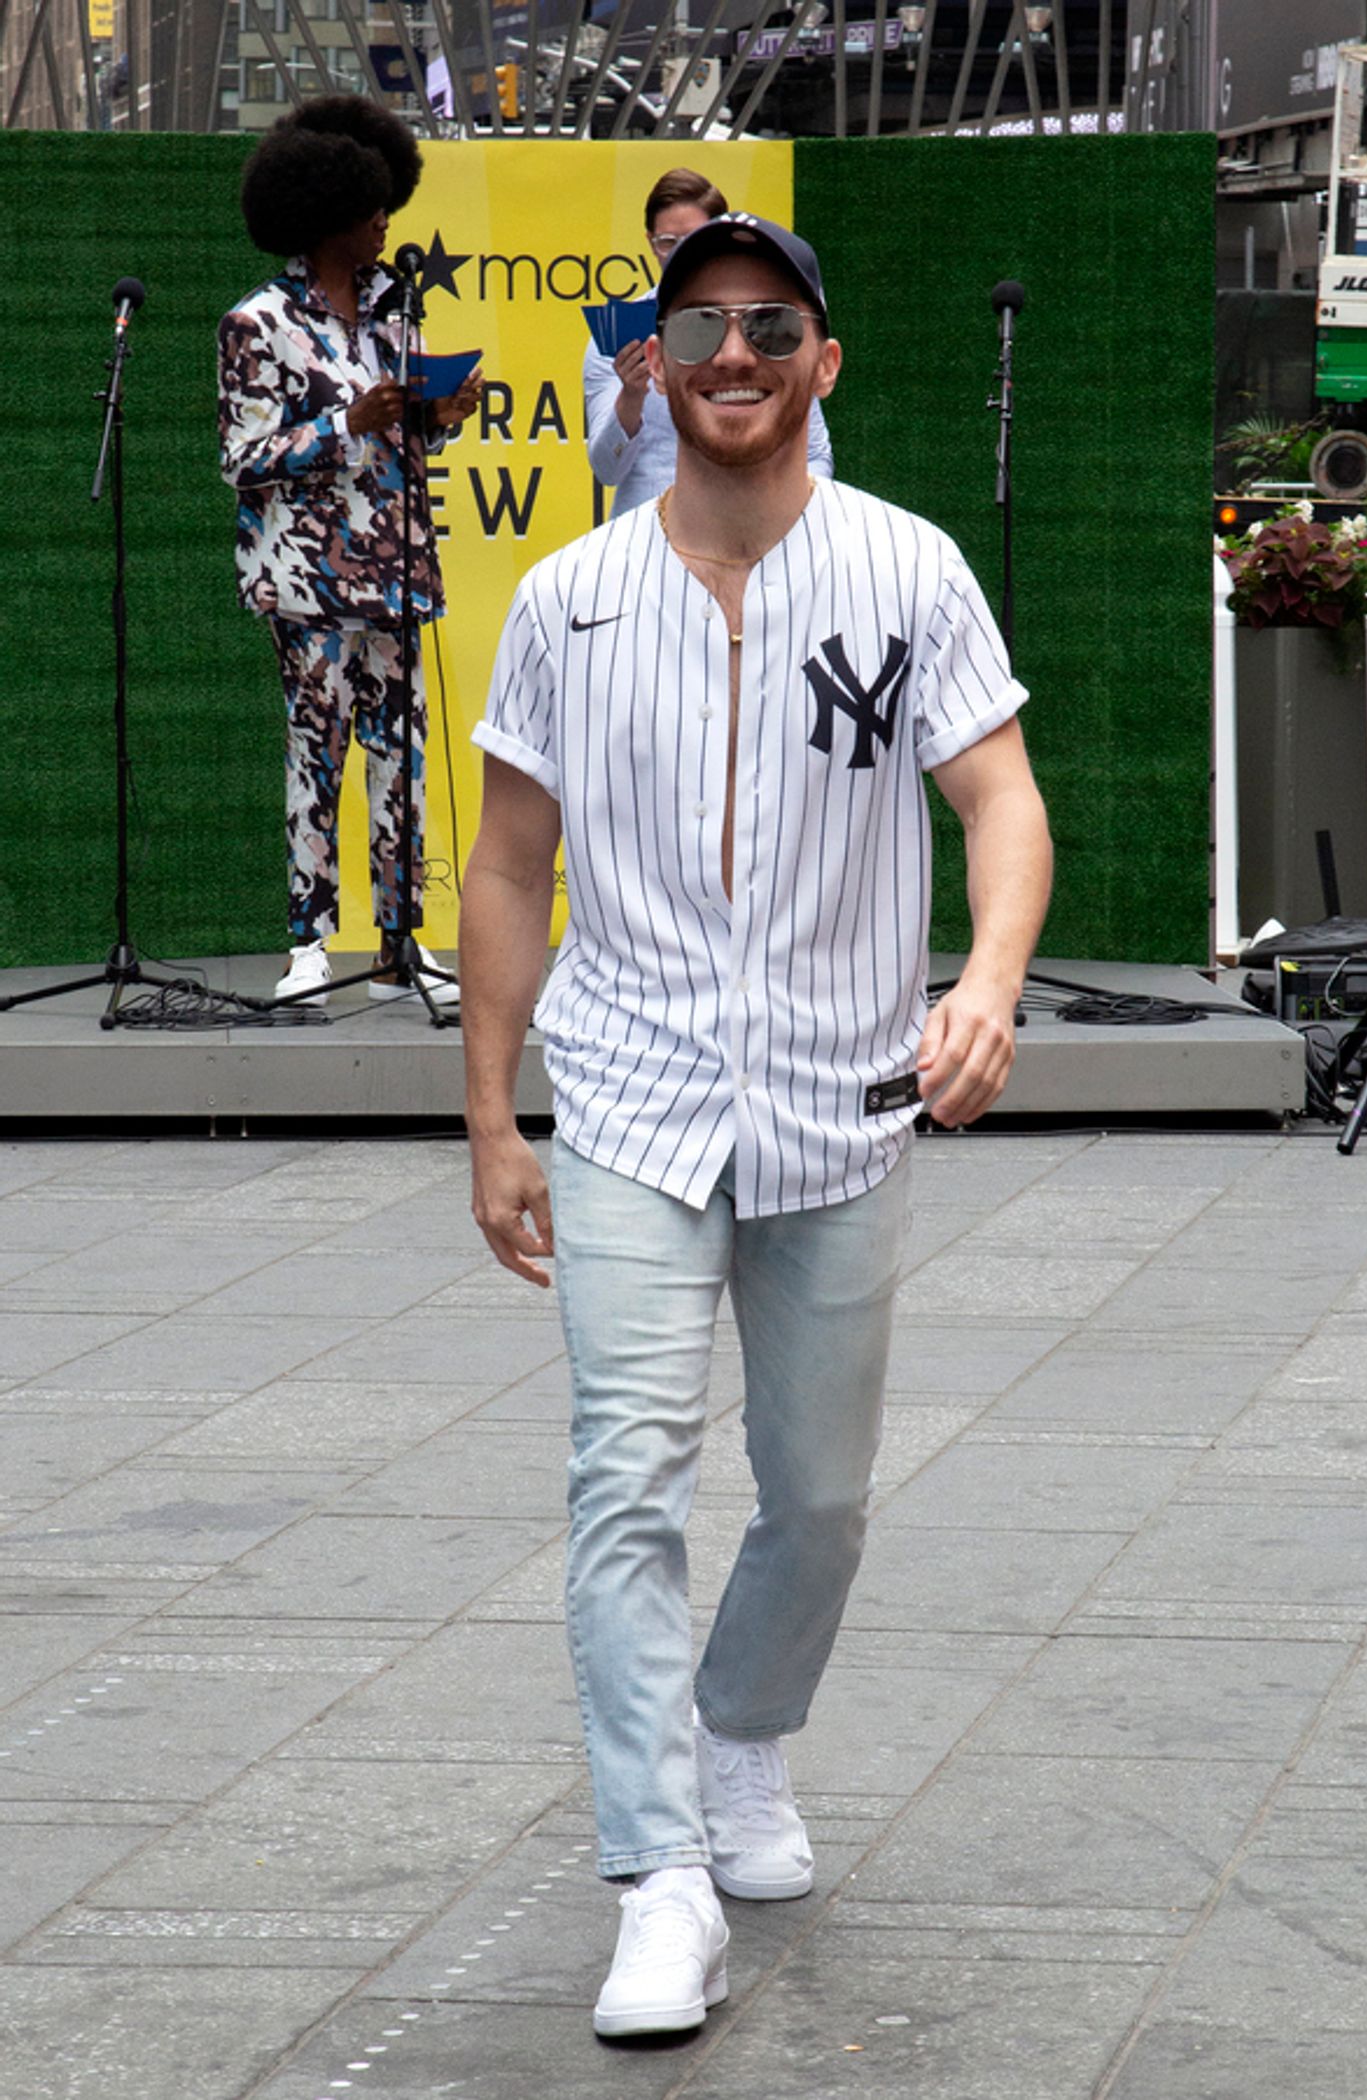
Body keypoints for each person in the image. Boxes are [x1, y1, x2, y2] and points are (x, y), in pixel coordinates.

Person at [458, 215, 1052, 2040]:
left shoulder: (909, 571)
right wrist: (491, 1114)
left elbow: (1002, 801)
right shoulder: (567, 598)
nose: (732, 352)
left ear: (820, 361)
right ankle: (657, 1879)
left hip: (842, 1099)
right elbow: (504, 866)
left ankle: (741, 1741)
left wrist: (989, 982)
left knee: (822, 1497)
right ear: (653, 354)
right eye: (698, 323)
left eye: (768, 325)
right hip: (630, 1092)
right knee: (624, 1473)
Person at [218, 94, 483, 1009]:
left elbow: (400, 445)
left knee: (400, 759)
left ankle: (401, 946)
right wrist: (345, 421)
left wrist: (437, 419)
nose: (385, 223)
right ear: (327, 213)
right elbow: (242, 458)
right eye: (373, 209)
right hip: (307, 585)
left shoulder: (391, 312)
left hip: (398, 577)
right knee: (316, 758)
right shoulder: (258, 323)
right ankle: (308, 946)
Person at [583, 166, 832, 513]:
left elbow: (815, 451)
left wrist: (797, 520)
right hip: (648, 534)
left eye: (693, 240)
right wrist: (631, 395)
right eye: (666, 242)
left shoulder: (768, 327)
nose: (676, 254)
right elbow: (607, 469)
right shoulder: (615, 337)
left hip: (758, 529)